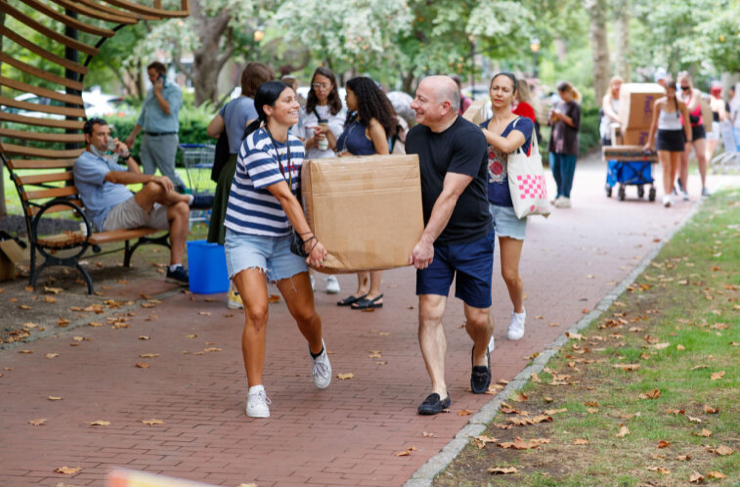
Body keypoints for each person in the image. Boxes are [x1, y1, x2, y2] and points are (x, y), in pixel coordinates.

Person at [224, 81, 332, 419]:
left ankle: (317, 350)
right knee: (256, 311)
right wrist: (311, 241)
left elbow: (303, 197)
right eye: (287, 100)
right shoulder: (255, 145)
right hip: (247, 238)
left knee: (305, 314)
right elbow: (285, 196)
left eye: (295, 99)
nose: (296, 104)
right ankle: (255, 391)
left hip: (285, 240)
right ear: (268, 109)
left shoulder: (298, 147)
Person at [406, 75, 495, 415]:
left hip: (472, 238)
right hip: (435, 243)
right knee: (430, 311)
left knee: (478, 319)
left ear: (445, 107)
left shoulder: (470, 138)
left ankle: (480, 351)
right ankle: (438, 390)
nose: (414, 105)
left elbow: (450, 195)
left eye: (420, 99)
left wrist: (424, 240)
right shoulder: (413, 137)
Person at [74, 118, 212, 285]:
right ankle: (191, 199)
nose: (106, 139)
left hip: (133, 209)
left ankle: (175, 268)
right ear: (88, 138)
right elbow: (114, 178)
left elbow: (135, 173)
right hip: (110, 217)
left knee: (181, 209)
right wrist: (153, 177)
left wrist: (126, 155)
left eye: (108, 135)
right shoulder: (84, 163)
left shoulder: (105, 160)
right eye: (101, 135)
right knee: (154, 188)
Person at [206, 62, 275, 309]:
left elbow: (211, 129)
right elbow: (252, 139)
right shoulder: (252, 107)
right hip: (244, 170)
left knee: (232, 232)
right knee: (244, 231)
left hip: (228, 168)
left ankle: (235, 289)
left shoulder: (232, 104)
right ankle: (238, 291)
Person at [334, 77, 398, 310]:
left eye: (348, 93)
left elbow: (384, 159)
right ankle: (361, 289)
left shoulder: (374, 126)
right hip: (351, 191)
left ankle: (375, 291)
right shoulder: (353, 121)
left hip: (371, 191)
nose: (345, 97)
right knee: (357, 240)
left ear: (360, 96)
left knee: (372, 241)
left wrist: (355, 159)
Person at [480, 73, 534, 342]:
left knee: (509, 273)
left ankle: (519, 311)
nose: (499, 93)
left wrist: (478, 132)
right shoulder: (481, 124)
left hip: (511, 205)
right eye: (495, 88)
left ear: (514, 95)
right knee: (481, 270)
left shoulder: (523, 123)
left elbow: (506, 144)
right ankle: (485, 325)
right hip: (482, 207)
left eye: (505, 89)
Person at [294, 67, 346, 295]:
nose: (320, 89)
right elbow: (297, 143)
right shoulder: (304, 110)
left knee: (331, 220)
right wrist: (311, 141)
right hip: (310, 166)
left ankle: (331, 272)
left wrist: (328, 134)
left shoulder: (341, 110)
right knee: (310, 219)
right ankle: (311, 273)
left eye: (324, 84)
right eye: (316, 85)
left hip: (332, 168)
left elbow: (341, 145)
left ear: (333, 86)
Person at [124, 61, 188, 193]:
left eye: (152, 75)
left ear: (161, 75)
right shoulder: (150, 92)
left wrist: (158, 93)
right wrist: (132, 136)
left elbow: (169, 110)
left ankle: (178, 201)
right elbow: (142, 117)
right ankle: (146, 207)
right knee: (146, 175)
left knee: (167, 173)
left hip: (165, 139)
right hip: (148, 138)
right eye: (149, 75)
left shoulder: (174, 90)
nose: (150, 78)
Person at [643, 76, 692, 208]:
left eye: (672, 91)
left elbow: (686, 123)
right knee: (666, 166)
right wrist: (649, 141)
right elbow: (654, 123)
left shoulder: (680, 104)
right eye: (667, 91)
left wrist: (689, 140)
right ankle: (666, 194)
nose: (669, 94)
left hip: (676, 135)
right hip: (663, 135)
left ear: (674, 91)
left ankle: (670, 192)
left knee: (673, 167)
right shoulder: (659, 104)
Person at [548, 81, 581, 208]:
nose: (561, 96)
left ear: (568, 92)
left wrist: (561, 116)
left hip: (568, 143)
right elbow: (550, 122)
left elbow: (576, 124)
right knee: (555, 168)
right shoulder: (557, 103)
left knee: (566, 171)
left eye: (563, 93)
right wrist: (551, 117)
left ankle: (565, 195)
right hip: (555, 142)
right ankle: (559, 193)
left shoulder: (574, 106)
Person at [676, 72, 710, 198]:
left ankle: (704, 186)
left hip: (697, 127)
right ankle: (684, 189)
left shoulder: (695, 93)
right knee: (684, 160)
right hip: (683, 128)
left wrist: (680, 106)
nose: (684, 85)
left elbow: (691, 108)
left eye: (686, 82)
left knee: (701, 155)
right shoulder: (677, 95)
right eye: (682, 82)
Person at [705, 83, 728, 163]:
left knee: (707, 148)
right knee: (710, 149)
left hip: (706, 124)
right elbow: (722, 116)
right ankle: (703, 167)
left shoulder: (709, 99)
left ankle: (702, 166)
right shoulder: (720, 102)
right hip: (715, 125)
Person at [600, 76, 623, 146]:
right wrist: (620, 120)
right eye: (615, 84)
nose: (617, 87)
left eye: (619, 84)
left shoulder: (624, 99)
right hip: (609, 132)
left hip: (622, 132)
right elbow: (608, 111)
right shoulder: (607, 98)